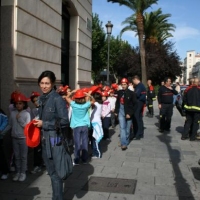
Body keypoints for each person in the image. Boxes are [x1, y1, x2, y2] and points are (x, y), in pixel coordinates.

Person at [34, 70, 69, 200]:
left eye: (47, 83)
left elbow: (65, 121)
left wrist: (45, 124)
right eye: (42, 83)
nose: (44, 86)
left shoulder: (57, 99)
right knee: (51, 172)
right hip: (45, 140)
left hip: (55, 139)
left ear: (52, 83)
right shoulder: (42, 98)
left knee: (56, 173)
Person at [66, 89, 92, 165]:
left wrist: (72, 92)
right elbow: (93, 101)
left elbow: (67, 98)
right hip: (84, 125)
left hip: (76, 126)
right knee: (84, 142)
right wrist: (89, 95)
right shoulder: (86, 105)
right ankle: (84, 159)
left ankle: (77, 159)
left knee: (77, 143)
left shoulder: (73, 104)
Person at [9, 93, 31, 181]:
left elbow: (27, 127)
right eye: (17, 103)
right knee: (17, 156)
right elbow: (10, 124)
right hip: (14, 137)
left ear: (24, 104)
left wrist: (20, 119)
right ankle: (18, 172)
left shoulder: (26, 114)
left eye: (20, 103)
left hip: (23, 138)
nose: (18, 105)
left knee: (23, 156)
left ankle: (23, 172)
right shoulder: (13, 113)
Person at [115, 78, 137, 150]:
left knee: (127, 129)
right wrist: (116, 111)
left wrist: (130, 114)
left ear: (127, 85)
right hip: (121, 111)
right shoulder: (119, 92)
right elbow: (117, 103)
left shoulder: (132, 93)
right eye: (122, 84)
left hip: (128, 112)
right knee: (122, 128)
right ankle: (124, 143)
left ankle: (125, 140)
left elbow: (134, 105)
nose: (123, 86)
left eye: (125, 84)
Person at [30, 91, 43, 174]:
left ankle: (47, 164)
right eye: (34, 101)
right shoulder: (33, 110)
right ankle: (37, 165)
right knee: (37, 149)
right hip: (37, 132)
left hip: (45, 132)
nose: (36, 102)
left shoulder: (45, 108)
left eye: (37, 100)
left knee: (46, 149)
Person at [132, 75, 146, 139]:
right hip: (141, 103)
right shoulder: (142, 85)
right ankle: (140, 133)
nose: (133, 82)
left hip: (138, 103)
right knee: (140, 118)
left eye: (133, 81)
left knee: (136, 118)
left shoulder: (139, 86)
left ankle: (137, 134)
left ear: (135, 79)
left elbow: (136, 94)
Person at [90, 92, 103, 158]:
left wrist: (88, 94)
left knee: (96, 139)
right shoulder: (98, 104)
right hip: (94, 123)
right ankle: (94, 152)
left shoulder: (97, 104)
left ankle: (98, 153)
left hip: (96, 123)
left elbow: (91, 101)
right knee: (93, 138)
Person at [0, 109, 10, 180]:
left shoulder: (1, 113)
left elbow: (6, 121)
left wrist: (0, 130)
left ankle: (5, 172)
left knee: (1, 155)